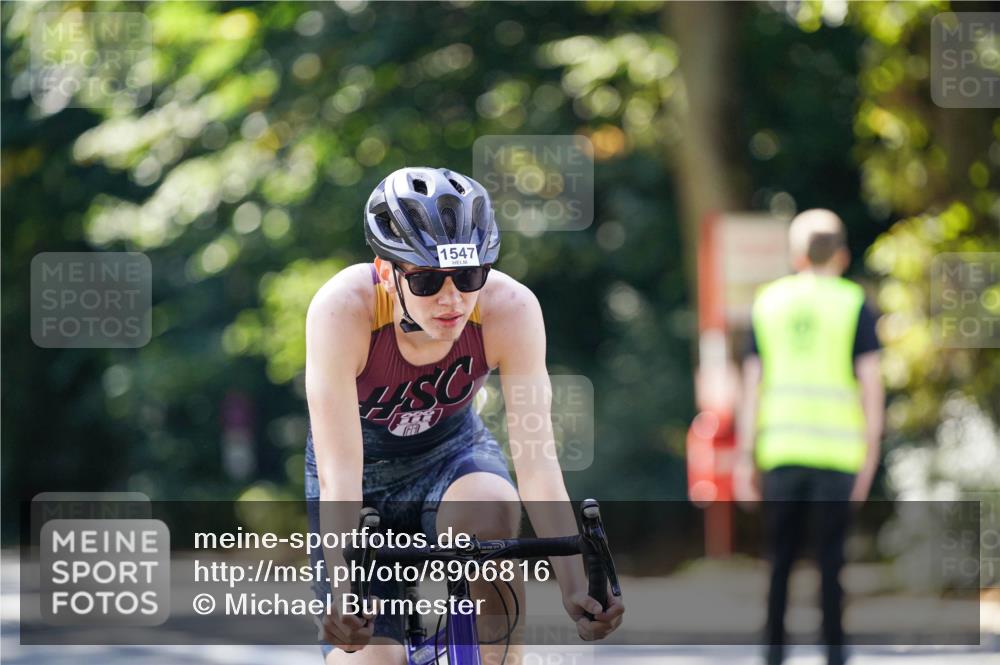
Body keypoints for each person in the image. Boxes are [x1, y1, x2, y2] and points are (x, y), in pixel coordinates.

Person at [303, 166, 624, 664]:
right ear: (387, 273)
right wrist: (344, 593)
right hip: (360, 481)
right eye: (428, 280)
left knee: (490, 507)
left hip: (451, 457)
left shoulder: (510, 309)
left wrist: (575, 587)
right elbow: (339, 478)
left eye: (470, 275)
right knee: (371, 659)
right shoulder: (343, 311)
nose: (452, 299)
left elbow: (538, 465)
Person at [734, 209, 885, 665]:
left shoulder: (768, 302)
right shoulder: (854, 303)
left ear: (796, 255)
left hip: (780, 452)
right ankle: (835, 654)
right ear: (842, 255)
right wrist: (870, 459)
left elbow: (752, 387)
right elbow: (872, 388)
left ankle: (773, 653)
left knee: (778, 561)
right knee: (831, 563)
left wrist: (744, 457)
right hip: (839, 455)